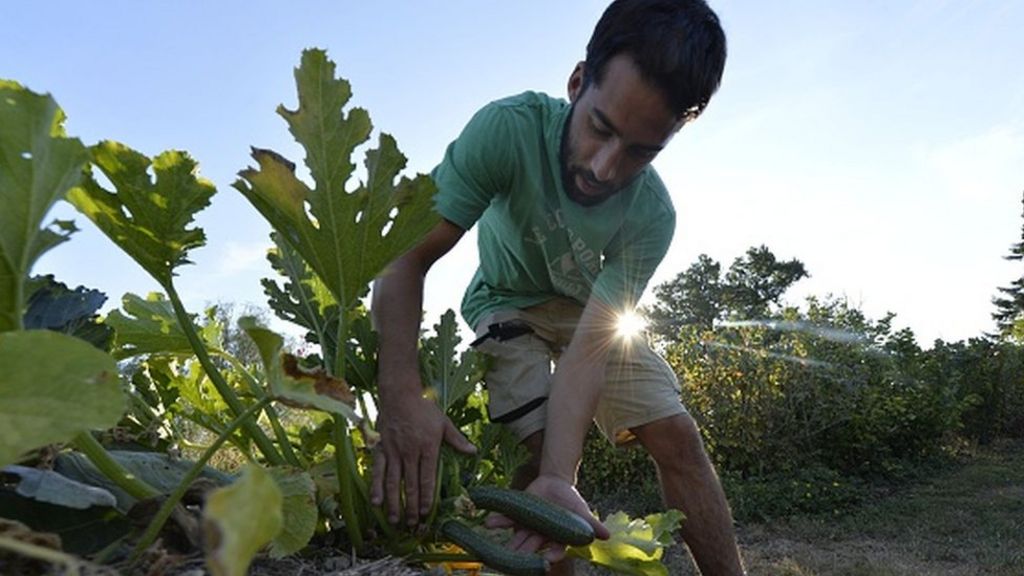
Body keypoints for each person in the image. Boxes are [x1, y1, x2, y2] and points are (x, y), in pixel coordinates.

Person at [370, 1, 743, 573]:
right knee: (533, 455)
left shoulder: (652, 216)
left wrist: (559, 478)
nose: (605, 168)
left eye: (641, 152)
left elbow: (592, 346)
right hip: (505, 300)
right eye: (601, 128)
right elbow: (404, 260)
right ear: (576, 82)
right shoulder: (506, 129)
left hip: (588, 316)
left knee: (677, 436)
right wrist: (401, 392)